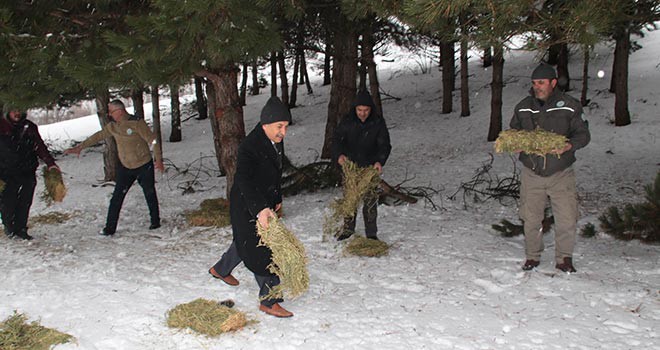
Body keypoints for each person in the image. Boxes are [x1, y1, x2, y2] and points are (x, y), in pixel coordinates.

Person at [208, 96, 293, 318]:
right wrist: (260, 209)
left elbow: (273, 174)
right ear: (266, 123)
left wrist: (276, 198)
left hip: (264, 202)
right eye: (279, 126)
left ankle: (220, 269)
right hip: (247, 203)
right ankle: (269, 300)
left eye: (285, 126)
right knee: (261, 251)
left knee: (244, 242)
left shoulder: (274, 139)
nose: (283, 132)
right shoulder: (249, 147)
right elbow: (244, 181)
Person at [510, 64, 590, 273]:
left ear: (553, 83)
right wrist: (513, 143)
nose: (537, 87)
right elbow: (514, 132)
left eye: (542, 83)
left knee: (566, 217)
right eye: (534, 83)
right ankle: (532, 256)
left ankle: (564, 258)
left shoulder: (570, 106)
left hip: (561, 172)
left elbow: (583, 134)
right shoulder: (523, 107)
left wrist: (569, 145)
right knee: (531, 217)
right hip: (532, 172)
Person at [64, 100, 164, 236]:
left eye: (111, 112)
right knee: (116, 197)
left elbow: (153, 140)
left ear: (120, 111)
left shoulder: (136, 123)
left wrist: (158, 160)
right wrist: (79, 147)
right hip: (125, 167)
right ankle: (109, 228)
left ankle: (155, 222)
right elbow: (98, 136)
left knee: (149, 194)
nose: (109, 115)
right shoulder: (113, 126)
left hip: (143, 165)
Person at [331, 90, 392, 241]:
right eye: (359, 110)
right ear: (355, 109)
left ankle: (371, 234)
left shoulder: (378, 122)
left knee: (371, 201)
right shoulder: (347, 121)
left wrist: (379, 161)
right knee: (350, 200)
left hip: (370, 168)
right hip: (351, 166)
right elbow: (336, 140)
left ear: (370, 109)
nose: (362, 113)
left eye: (366, 110)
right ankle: (347, 230)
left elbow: (385, 145)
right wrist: (339, 155)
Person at [0, 108, 60, 240]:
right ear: (7, 113)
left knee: (25, 201)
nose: (16, 113)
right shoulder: (2, 127)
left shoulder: (29, 127)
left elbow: (39, 146)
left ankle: (21, 228)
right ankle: (9, 226)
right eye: (13, 110)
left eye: (19, 110)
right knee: (8, 202)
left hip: (27, 169)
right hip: (6, 172)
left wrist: (50, 163)